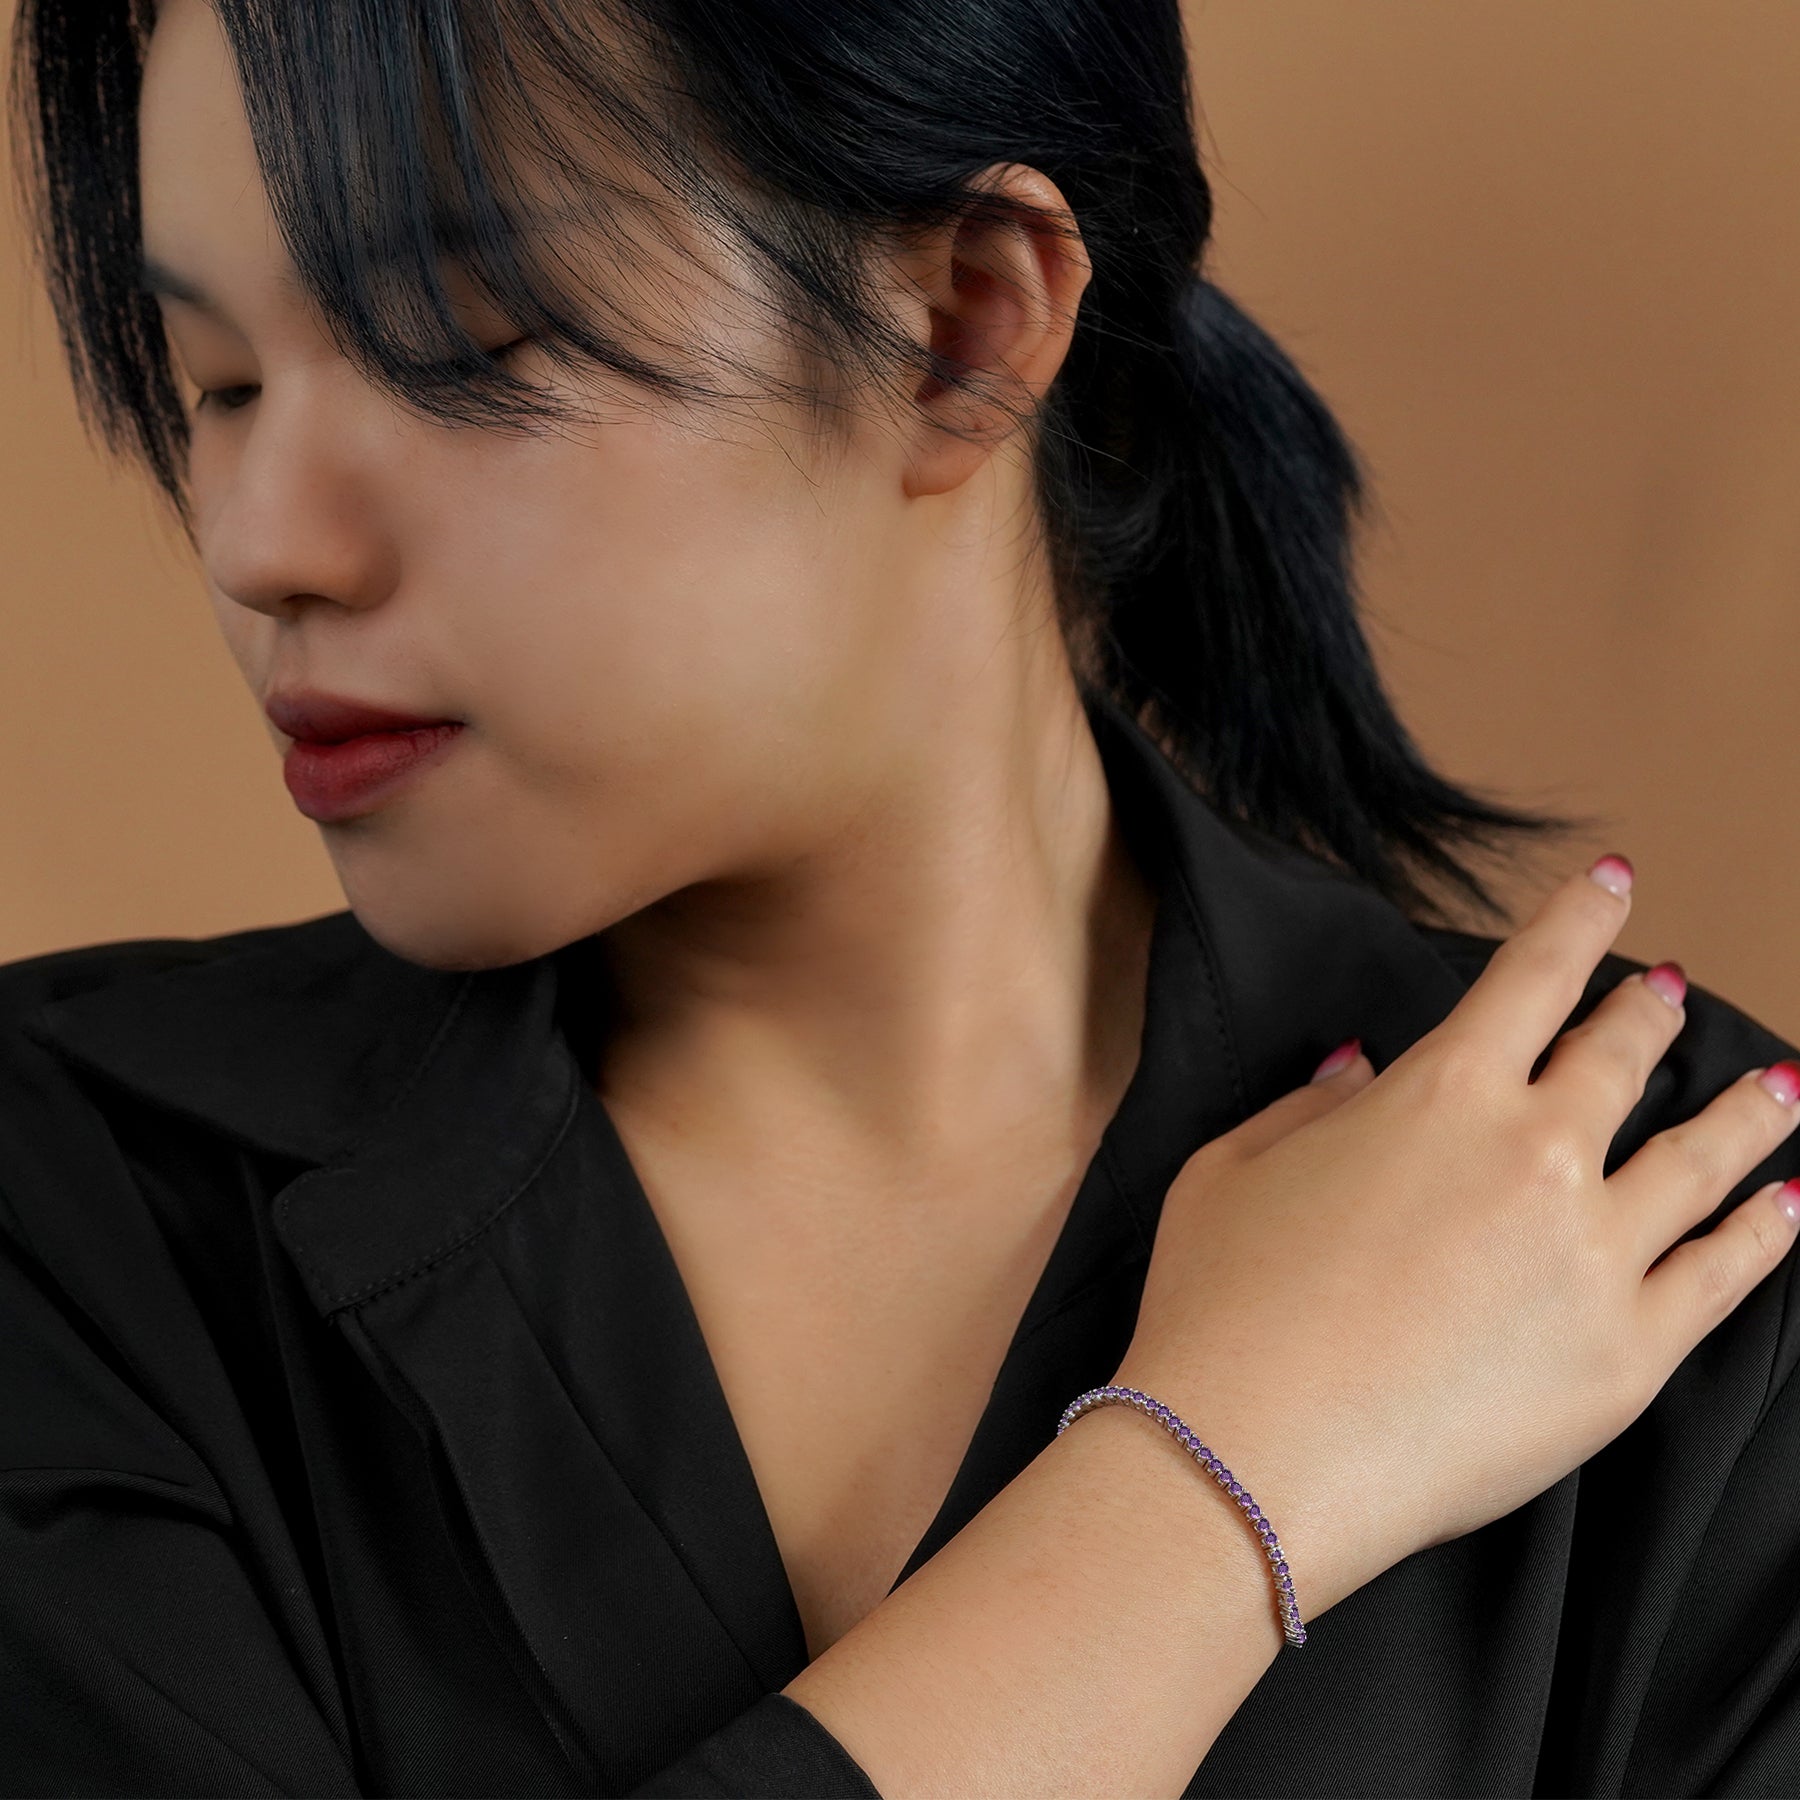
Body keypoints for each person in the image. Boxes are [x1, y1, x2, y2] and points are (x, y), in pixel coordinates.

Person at [4, 0, 1798, 1793]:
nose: (262, 545)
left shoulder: (1659, 1230)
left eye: (449, 351)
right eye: (217, 384)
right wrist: (1214, 1483)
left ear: (961, 329)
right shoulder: (70, 1203)